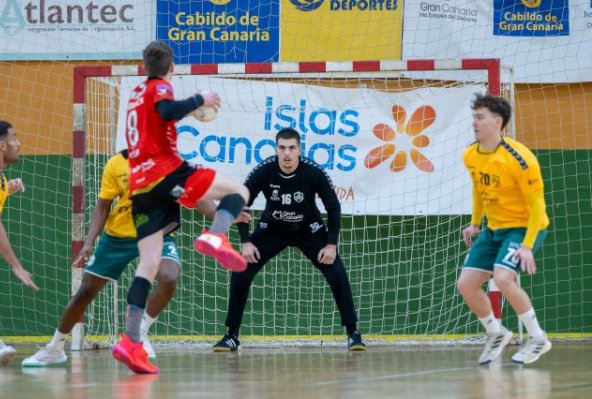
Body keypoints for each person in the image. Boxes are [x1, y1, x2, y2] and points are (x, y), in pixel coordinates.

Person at [113, 40, 250, 374]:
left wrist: (189, 111)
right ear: (171, 67)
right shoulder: (160, 87)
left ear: (144, 65)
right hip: (164, 171)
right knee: (239, 191)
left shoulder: (135, 93)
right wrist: (200, 100)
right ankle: (217, 236)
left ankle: (130, 341)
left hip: (140, 187)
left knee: (148, 264)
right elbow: (165, 111)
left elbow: (158, 118)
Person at [21, 149, 180, 367]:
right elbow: (103, 206)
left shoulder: (167, 160)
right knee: (85, 292)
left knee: (170, 277)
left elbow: (196, 195)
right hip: (118, 237)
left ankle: (138, 333)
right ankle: (55, 348)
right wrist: (88, 243)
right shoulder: (116, 164)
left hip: (157, 232)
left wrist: (225, 213)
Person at [212, 128, 366, 352]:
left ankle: (353, 333)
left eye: (292, 148)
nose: (287, 154)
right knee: (240, 271)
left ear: (299, 150)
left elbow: (333, 206)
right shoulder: (264, 171)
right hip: (272, 230)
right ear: (276, 149)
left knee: (337, 272)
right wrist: (245, 242)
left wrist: (331, 244)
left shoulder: (313, 173)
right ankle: (231, 335)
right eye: (282, 148)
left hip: (309, 230)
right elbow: (241, 202)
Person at [457, 94, 551, 365]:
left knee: (503, 278)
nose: (475, 122)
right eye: (474, 116)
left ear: (497, 122)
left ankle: (538, 338)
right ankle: (496, 333)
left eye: (480, 117)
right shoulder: (471, 154)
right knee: (466, 284)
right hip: (494, 228)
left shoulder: (521, 159)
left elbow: (537, 207)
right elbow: (478, 187)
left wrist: (527, 245)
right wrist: (476, 222)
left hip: (524, 227)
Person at [0, 121, 38, 366]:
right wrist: (15, 265)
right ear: (1, 144)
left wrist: (6, 190)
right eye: (14, 137)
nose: (18, 144)